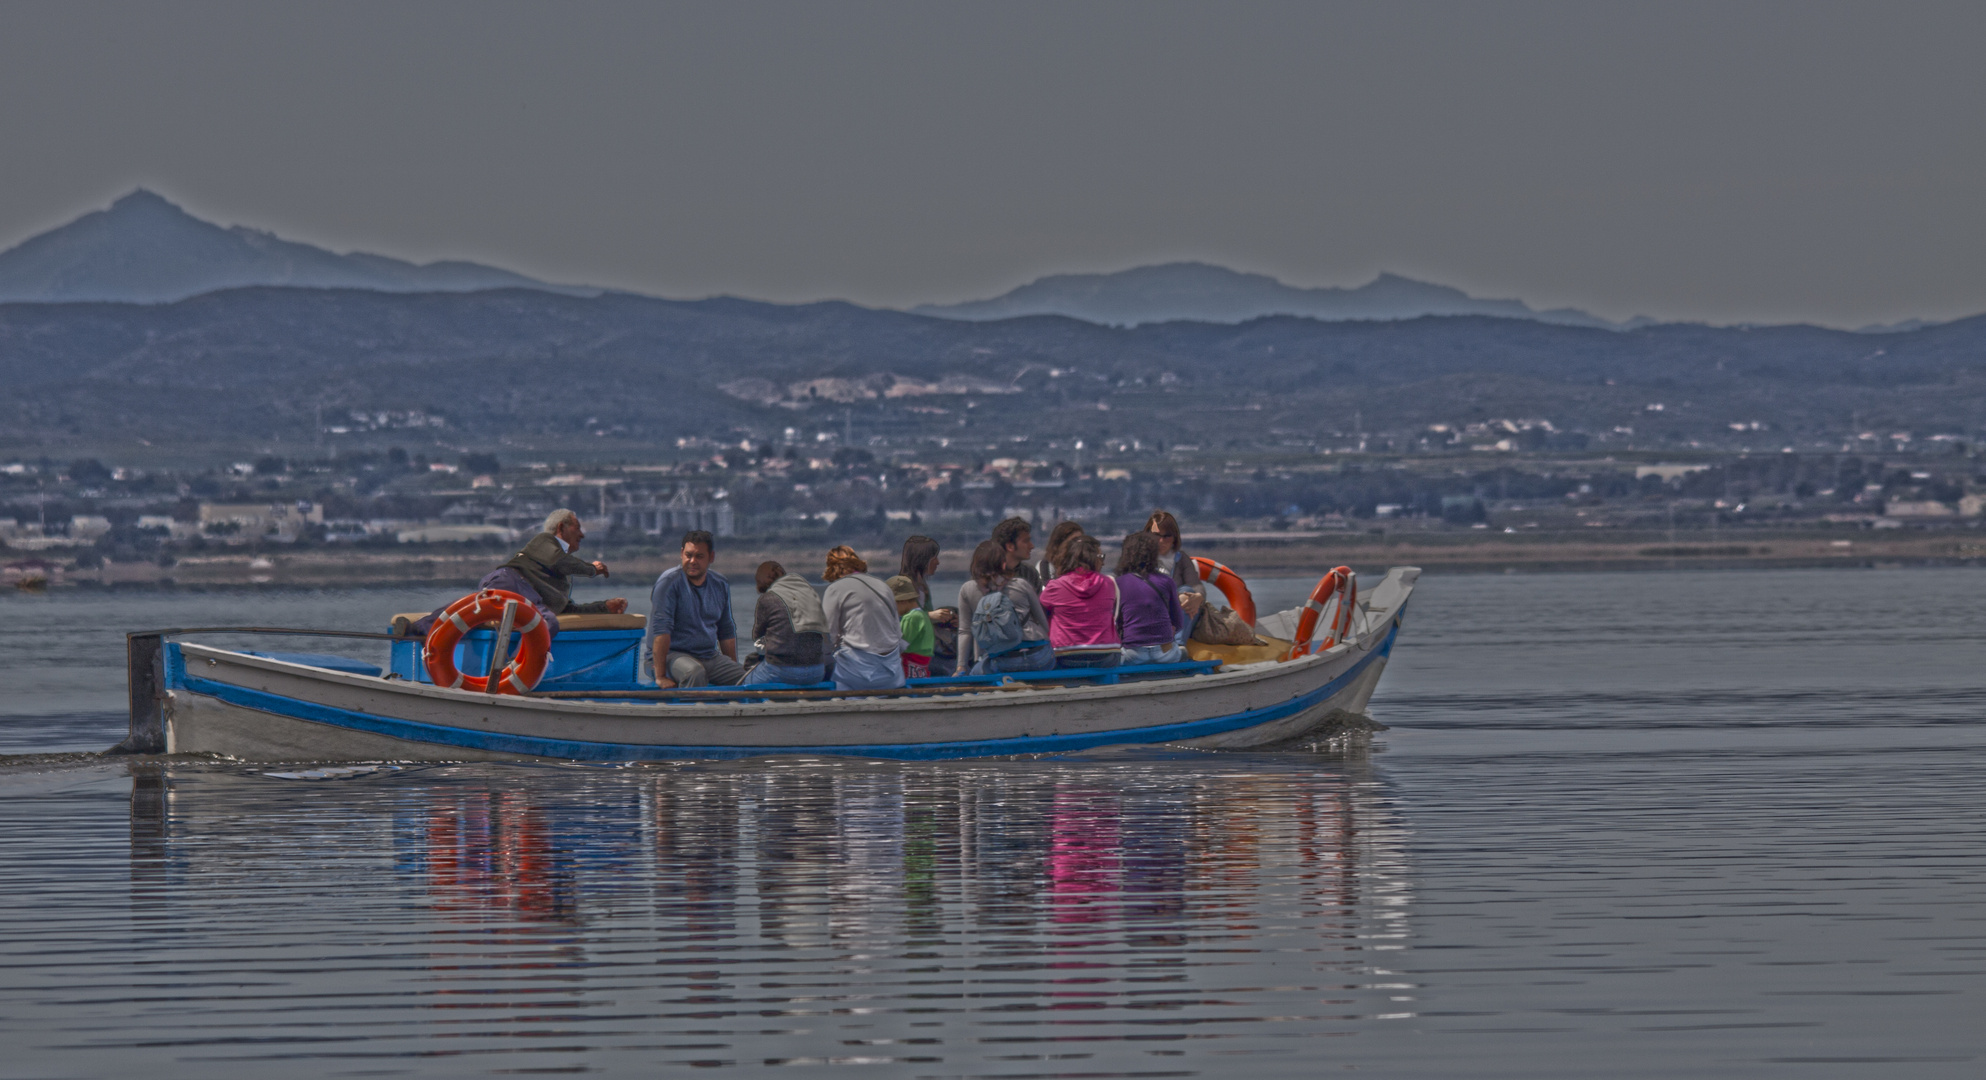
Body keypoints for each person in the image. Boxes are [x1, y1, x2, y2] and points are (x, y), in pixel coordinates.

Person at [403, 508, 625, 639]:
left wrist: (604, 607)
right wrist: (592, 569)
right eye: (578, 528)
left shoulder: (560, 572)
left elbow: (566, 608)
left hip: (529, 597)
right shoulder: (545, 541)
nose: (583, 535)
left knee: (471, 609)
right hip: (514, 582)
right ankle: (417, 629)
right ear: (561, 528)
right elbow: (559, 561)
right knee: (543, 623)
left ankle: (418, 628)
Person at [647, 530, 742, 688]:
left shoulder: (720, 584)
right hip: (668, 657)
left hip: (707, 656)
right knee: (694, 672)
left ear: (711, 557)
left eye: (699, 556)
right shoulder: (669, 582)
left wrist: (732, 667)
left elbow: (726, 631)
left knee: (744, 677)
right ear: (681, 554)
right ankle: (691, 711)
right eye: (688, 555)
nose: (692, 561)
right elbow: (661, 630)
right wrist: (661, 676)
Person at [956, 539, 1054, 675]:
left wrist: (961, 666)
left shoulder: (968, 589)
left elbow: (965, 631)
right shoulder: (1021, 584)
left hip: (1000, 662)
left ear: (976, 565)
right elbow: (1044, 624)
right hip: (1038, 658)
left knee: (976, 673)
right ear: (1003, 564)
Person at [821, 545, 906, 691]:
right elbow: (897, 632)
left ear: (832, 567)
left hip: (857, 674)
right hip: (892, 674)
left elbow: (828, 635)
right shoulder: (882, 585)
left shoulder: (835, 588)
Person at [1038, 533, 1120, 668]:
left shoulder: (1055, 586)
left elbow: (1041, 612)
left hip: (1066, 654)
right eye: (1100, 557)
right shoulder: (1108, 583)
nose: (1103, 561)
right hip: (1106, 653)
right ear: (1093, 560)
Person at [742, 560, 829, 687]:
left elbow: (758, 636)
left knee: (745, 684)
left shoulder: (767, 598)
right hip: (817, 672)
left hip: (782, 671)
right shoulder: (809, 593)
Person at [1116, 531, 1186, 665]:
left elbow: (1116, 622)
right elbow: (1178, 622)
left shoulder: (1119, 583)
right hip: (1165, 654)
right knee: (1182, 652)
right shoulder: (1167, 581)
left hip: (1133, 654)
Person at [900, 534, 958, 676]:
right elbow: (899, 623)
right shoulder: (903, 587)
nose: (937, 562)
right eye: (934, 558)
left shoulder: (922, 587)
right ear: (922, 560)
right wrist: (930, 616)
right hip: (912, 654)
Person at [1145, 510, 1203, 647]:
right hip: (1148, 611)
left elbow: (1195, 585)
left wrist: (1198, 596)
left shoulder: (1181, 559)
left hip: (1175, 614)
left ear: (1174, 538)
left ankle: (1177, 645)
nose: (1161, 541)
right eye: (1156, 535)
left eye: (1167, 536)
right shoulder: (1139, 559)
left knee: (1188, 592)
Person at [890, 574, 935, 679]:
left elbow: (900, 645)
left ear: (903, 601)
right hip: (921, 667)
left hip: (909, 666)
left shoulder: (911, 618)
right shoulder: (923, 615)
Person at [991, 516, 1040, 590]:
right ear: (1010, 546)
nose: (1032, 546)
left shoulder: (1030, 573)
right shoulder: (986, 573)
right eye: (1026, 541)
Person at [1031, 520, 1085, 585]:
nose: (1078, 544)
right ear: (1059, 543)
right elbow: (1047, 589)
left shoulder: (1086, 565)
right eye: (1074, 540)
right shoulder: (1045, 566)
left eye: (1081, 540)